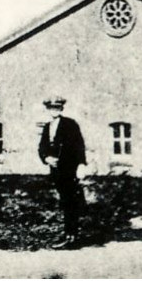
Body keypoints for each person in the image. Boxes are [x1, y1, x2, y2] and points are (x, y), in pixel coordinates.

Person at [38, 95, 87, 248]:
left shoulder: (70, 124)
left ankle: (72, 236)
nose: (54, 110)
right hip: (56, 171)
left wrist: (81, 164)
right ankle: (69, 234)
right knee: (65, 201)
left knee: (71, 201)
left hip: (69, 169)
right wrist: (46, 158)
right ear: (47, 109)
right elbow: (42, 147)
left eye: (57, 108)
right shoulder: (47, 127)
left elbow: (79, 145)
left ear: (61, 109)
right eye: (52, 108)